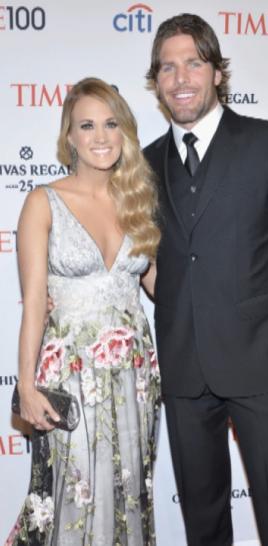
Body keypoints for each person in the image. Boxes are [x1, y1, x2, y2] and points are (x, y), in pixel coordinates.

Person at [141, 13, 268, 546]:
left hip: (261, 364)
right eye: (167, 68)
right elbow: (145, 261)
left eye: (193, 63)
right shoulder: (144, 165)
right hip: (183, 369)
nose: (180, 78)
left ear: (217, 72)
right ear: (156, 81)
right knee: (202, 524)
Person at [7, 78, 162, 544]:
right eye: (87, 125)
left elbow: (161, 287)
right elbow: (35, 301)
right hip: (71, 374)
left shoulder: (138, 200)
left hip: (134, 376)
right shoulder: (43, 202)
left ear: (124, 132)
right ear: (69, 136)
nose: (100, 136)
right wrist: (26, 384)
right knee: (73, 496)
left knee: (129, 491)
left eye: (111, 124)